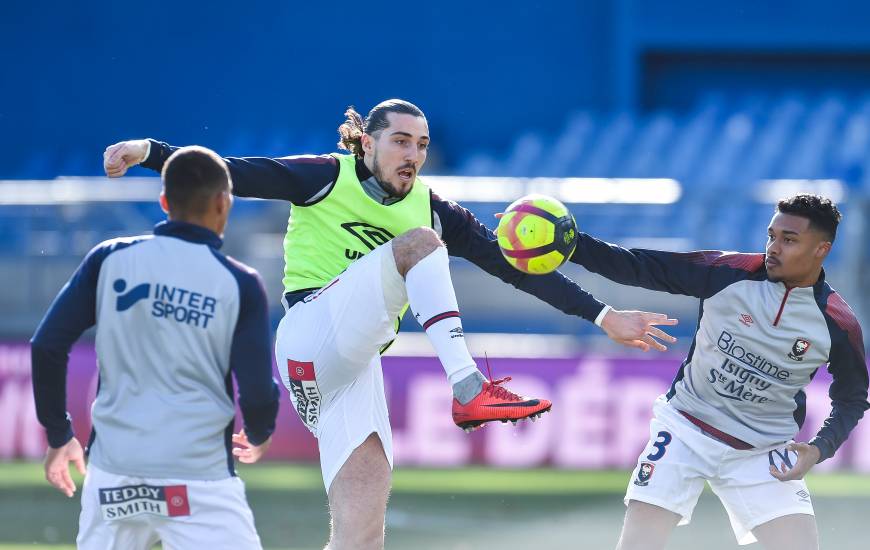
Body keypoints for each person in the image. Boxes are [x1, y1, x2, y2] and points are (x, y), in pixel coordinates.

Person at [103, 99, 677, 550]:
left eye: (422, 145)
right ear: (367, 141)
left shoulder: (432, 205)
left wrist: (603, 315)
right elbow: (229, 172)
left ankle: (465, 390)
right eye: (400, 141)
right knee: (420, 246)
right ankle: (467, 386)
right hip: (308, 336)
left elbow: (515, 270)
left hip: (350, 370)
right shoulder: (325, 177)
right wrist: (146, 150)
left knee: (363, 537)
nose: (413, 154)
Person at [568, 194, 868, 550]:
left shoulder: (838, 323)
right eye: (771, 235)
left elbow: (852, 398)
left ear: (822, 249)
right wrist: (569, 243)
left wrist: (818, 449)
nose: (773, 247)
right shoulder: (726, 272)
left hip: (763, 451)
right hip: (685, 429)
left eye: (789, 240)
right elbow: (638, 266)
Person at [32, 146, 281, 549]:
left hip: (115, 470)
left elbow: (46, 345)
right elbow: (255, 386)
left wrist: (59, 434)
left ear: (164, 202)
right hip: (199, 475)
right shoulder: (239, 282)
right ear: (225, 203)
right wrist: (259, 430)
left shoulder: (108, 259)